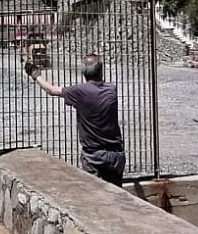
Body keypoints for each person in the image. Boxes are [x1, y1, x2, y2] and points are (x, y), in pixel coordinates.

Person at [26, 53, 126, 185]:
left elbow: (51, 90)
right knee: (117, 195)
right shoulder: (111, 89)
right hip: (116, 155)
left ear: (84, 73)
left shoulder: (79, 91)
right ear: (101, 71)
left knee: (94, 196)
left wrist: (35, 74)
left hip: (93, 156)